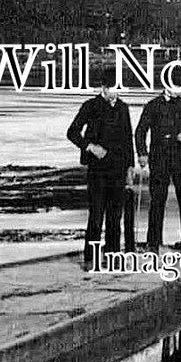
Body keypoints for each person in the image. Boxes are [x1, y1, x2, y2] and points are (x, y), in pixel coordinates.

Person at [66, 69, 134, 270]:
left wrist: (130, 168)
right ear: (104, 88)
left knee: (115, 217)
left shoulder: (123, 108)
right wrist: (91, 147)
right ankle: (90, 258)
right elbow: (72, 132)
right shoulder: (90, 106)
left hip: (119, 169)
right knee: (96, 215)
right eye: (114, 88)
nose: (117, 92)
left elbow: (128, 139)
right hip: (97, 170)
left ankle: (112, 256)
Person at [135, 87, 181, 252]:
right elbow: (140, 132)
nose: (178, 90)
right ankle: (154, 243)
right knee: (157, 201)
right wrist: (142, 154)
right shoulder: (152, 105)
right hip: (160, 159)